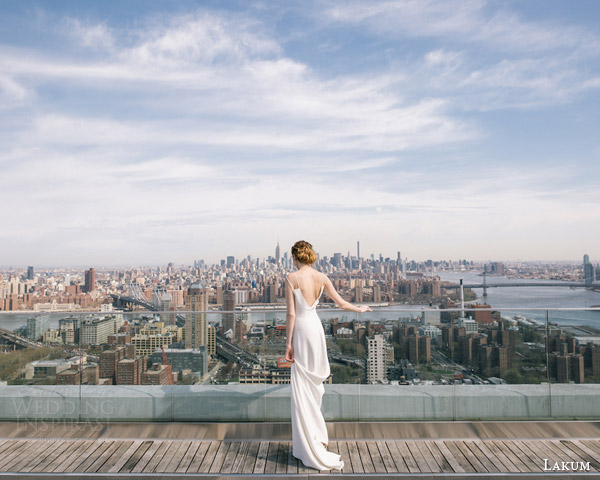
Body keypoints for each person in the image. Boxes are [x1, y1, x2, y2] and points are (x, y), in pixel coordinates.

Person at [284, 240, 371, 471]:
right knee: (315, 385)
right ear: (310, 256)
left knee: (302, 387)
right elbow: (341, 304)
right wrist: (360, 309)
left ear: (295, 257)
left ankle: (306, 444)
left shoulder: (291, 278)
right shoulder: (322, 277)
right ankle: (317, 439)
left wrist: (288, 345)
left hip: (301, 332)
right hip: (315, 329)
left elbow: (291, 315)